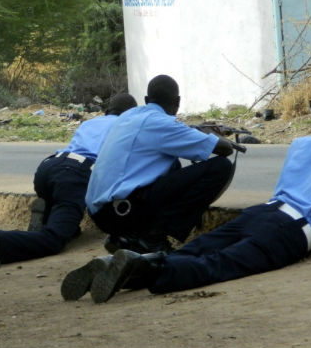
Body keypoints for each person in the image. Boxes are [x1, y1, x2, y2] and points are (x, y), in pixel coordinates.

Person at [63, 106, 311, 304]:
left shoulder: (301, 143)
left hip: (263, 211)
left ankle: (139, 262)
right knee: (223, 264)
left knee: (201, 247)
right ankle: (151, 268)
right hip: (291, 229)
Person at [0, 93, 138, 269]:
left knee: (67, 220)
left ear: (106, 112)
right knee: (53, 240)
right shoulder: (128, 126)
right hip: (75, 177)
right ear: (131, 113)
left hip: (49, 167)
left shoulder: (90, 123)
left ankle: (49, 210)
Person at [85, 74, 235, 256]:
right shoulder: (161, 123)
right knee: (221, 167)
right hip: (120, 212)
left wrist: (193, 131)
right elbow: (224, 149)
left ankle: (129, 237)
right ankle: (152, 239)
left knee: (172, 164)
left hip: (103, 212)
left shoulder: (129, 116)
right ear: (177, 101)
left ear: (147, 100)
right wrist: (211, 134)